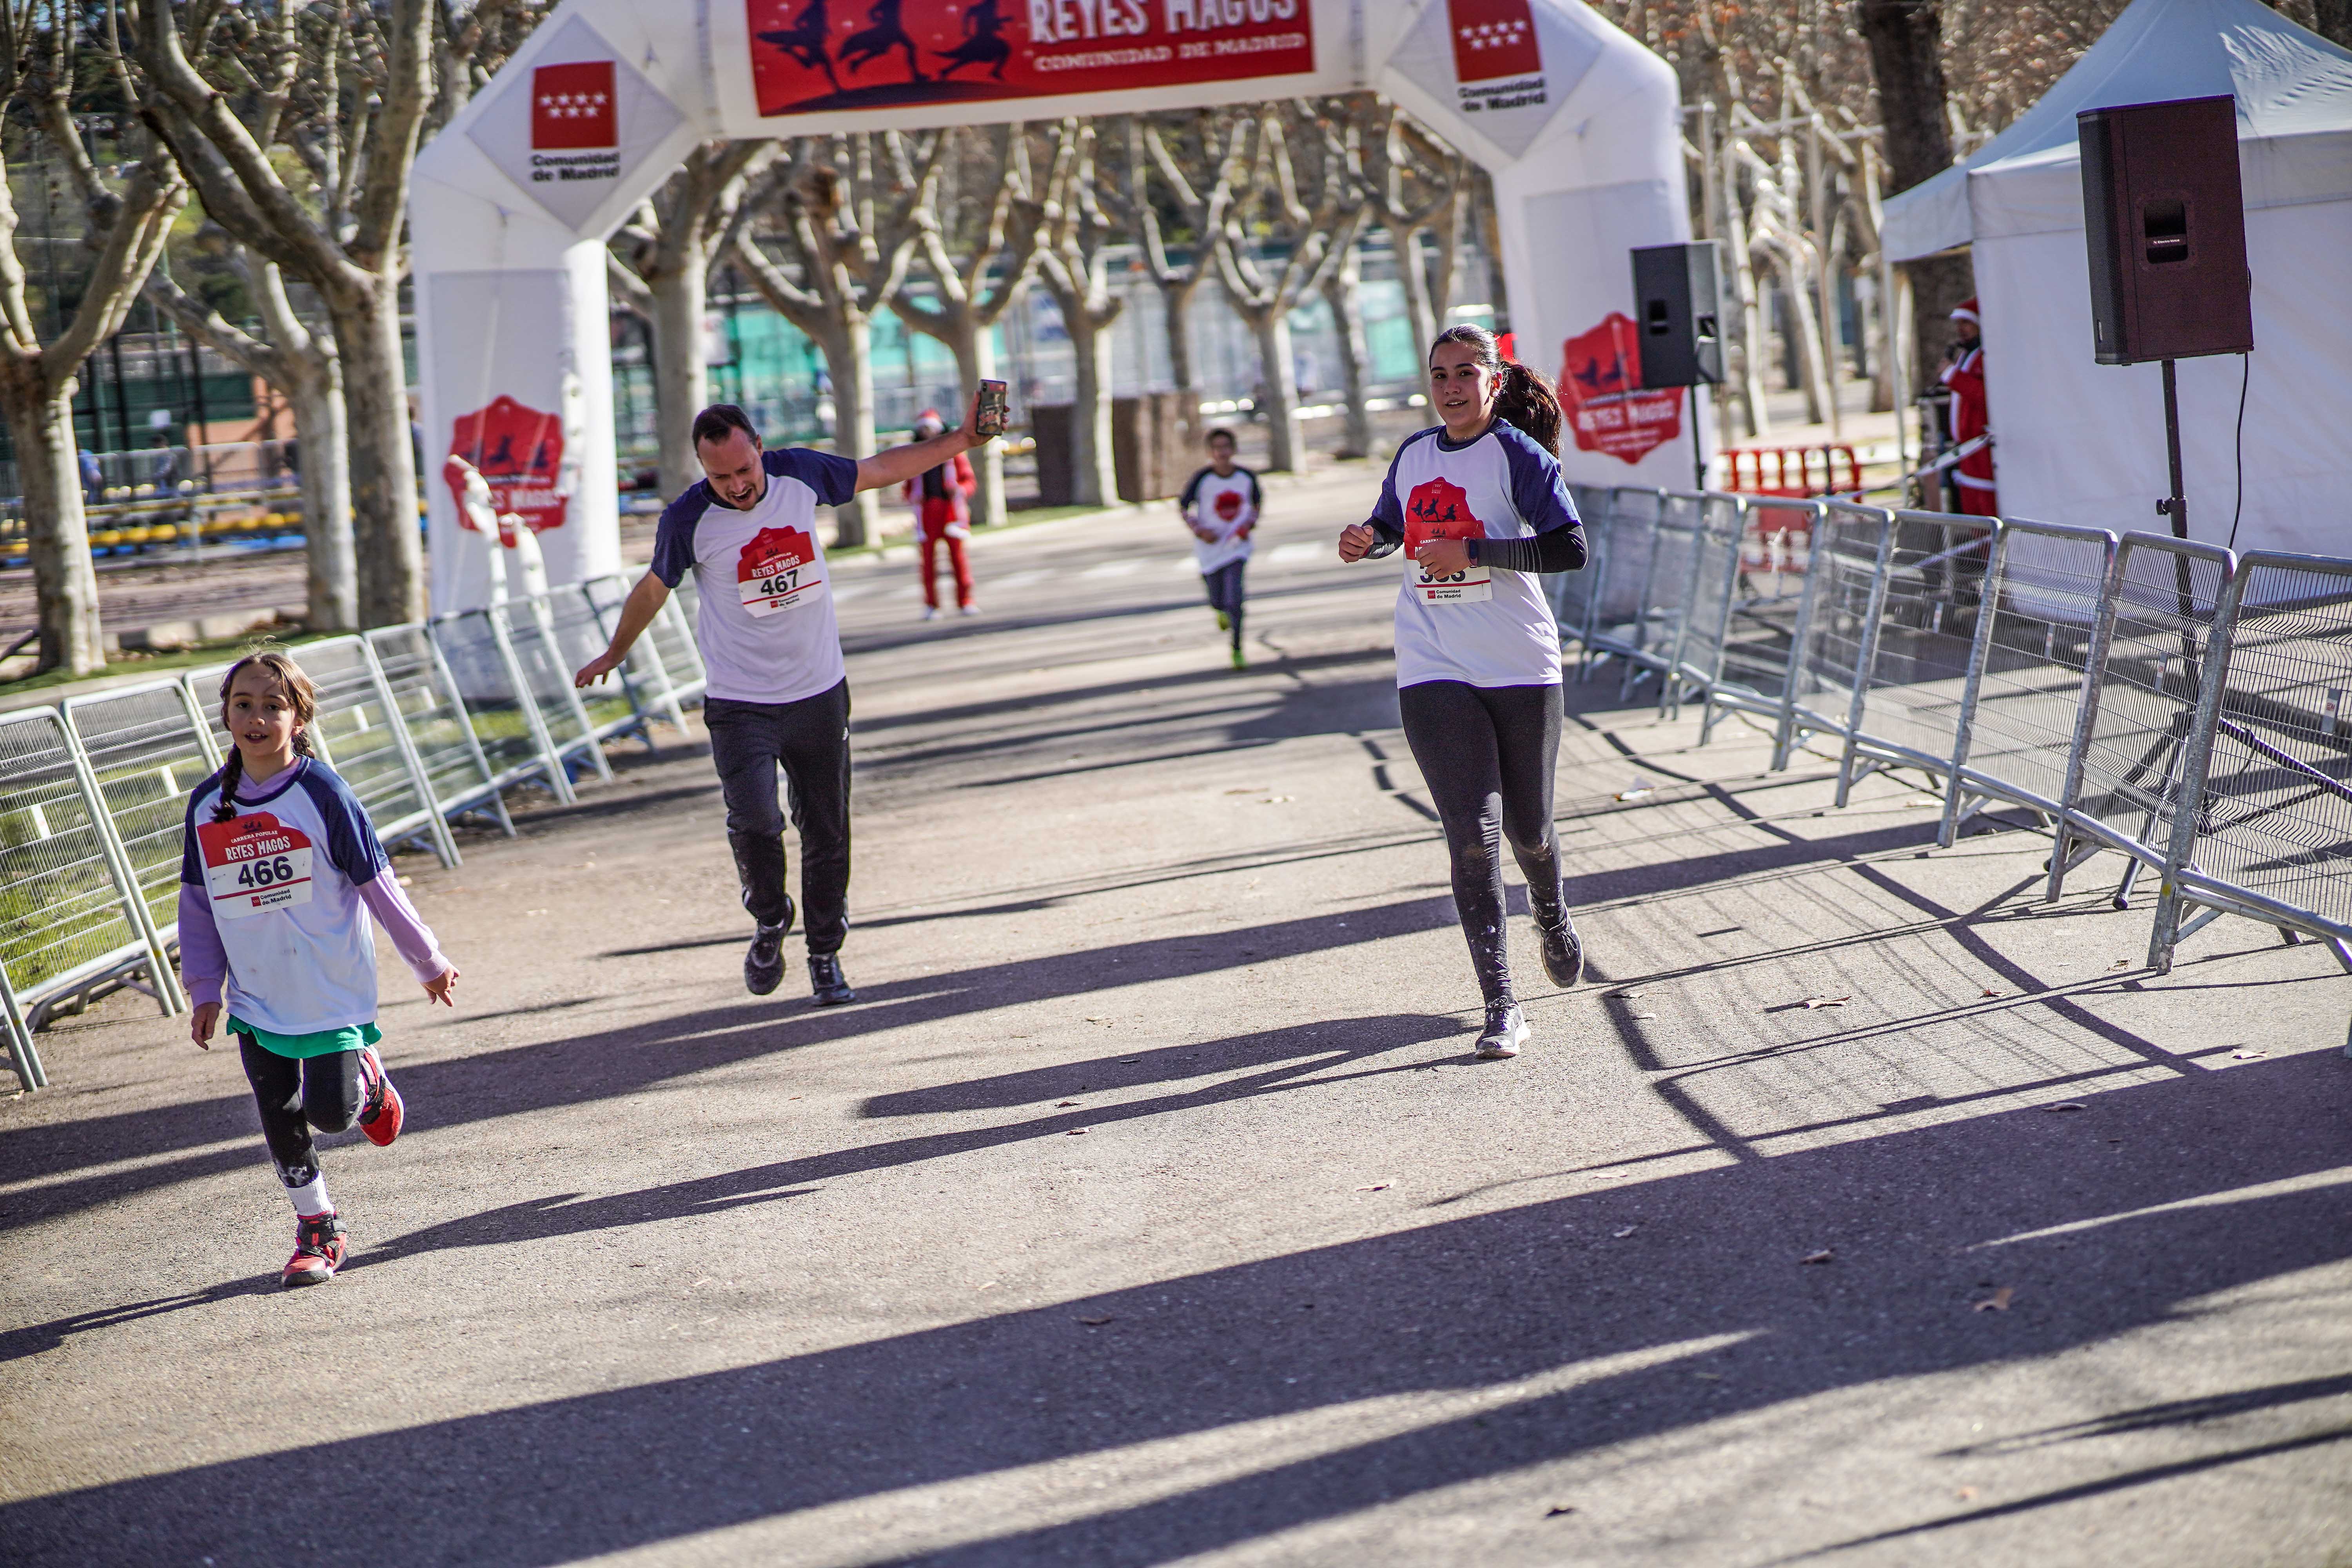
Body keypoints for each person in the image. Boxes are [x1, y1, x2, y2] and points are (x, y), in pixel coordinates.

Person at [573, 396, 997, 1004]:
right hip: (740, 701)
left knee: (826, 831)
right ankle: (771, 916)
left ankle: (825, 954)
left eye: (744, 470)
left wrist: (960, 441)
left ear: (760, 450)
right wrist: (616, 652)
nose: (737, 486)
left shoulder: (800, 474)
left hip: (818, 692)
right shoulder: (688, 518)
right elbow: (654, 586)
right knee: (755, 822)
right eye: (720, 476)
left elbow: (882, 469)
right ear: (702, 468)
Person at [1336, 325, 1589, 1060]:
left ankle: (1551, 910)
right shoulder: (1414, 454)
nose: (1450, 387)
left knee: (1529, 833)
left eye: (1465, 373)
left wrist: (1473, 550)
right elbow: (1392, 525)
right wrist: (1369, 541)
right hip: (1432, 660)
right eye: (1439, 374)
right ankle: (1501, 1005)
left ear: (1494, 381)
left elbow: (1569, 548)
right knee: (1473, 838)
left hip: (1519, 661)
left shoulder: (1519, 455)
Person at [179, 649, 459, 1289]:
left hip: (331, 988)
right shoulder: (208, 806)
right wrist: (204, 988)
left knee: (331, 1114)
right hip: (257, 995)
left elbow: (377, 883)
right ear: (225, 715)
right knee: (279, 1114)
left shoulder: (322, 792)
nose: (256, 718)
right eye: (243, 705)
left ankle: (368, 1080)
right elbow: (196, 905)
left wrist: (426, 959)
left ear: (299, 719)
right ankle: (318, 1228)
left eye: (272, 706)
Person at [1176, 427, 1260, 670]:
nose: (1222, 453)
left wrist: (1246, 527)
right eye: (1217, 448)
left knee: (1236, 598)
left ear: (1233, 449)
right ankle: (1219, 610)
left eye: (1226, 447)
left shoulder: (1246, 477)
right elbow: (1184, 507)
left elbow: (1256, 506)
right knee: (1217, 599)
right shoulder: (1202, 479)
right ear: (1210, 452)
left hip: (1236, 546)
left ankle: (1237, 648)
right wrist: (1199, 530)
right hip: (1209, 548)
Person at [900, 408, 977, 619]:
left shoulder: (954, 454)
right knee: (928, 562)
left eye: (931, 428)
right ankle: (932, 605)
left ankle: (965, 600)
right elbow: (907, 486)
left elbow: (969, 481)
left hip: (951, 511)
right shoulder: (914, 456)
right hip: (927, 512)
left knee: (958, 558)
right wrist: (912, 496)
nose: (928, 433)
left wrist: (960, 490)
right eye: (924, 429)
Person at [1939, 298, 1995, 515]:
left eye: (1966, 323)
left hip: (1982, 451)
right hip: (1967, 451)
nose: (1960, 329)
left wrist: (1953, 376)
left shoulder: (1986, 357)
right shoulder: (1966, 355)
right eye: (1958, 323)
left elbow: (1985, 396)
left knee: (1985, 509)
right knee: (1972, 510)